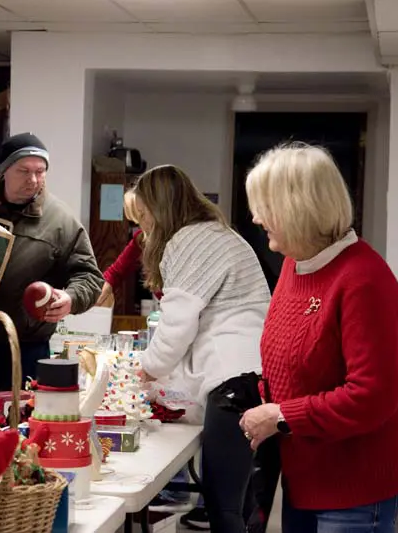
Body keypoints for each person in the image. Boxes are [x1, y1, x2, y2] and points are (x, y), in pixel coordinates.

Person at [240, 143, 398, 533]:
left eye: (264, 207)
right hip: (306, 476)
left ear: (297, 208)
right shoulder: (295, 265)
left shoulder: (363, 281)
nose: (255, 217)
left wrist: (282, 416)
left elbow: (372, 396)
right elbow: (293, 359)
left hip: (354, 486)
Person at [135, 165, 271, 533]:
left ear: (157, 209)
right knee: (243, 503)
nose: (142, 228)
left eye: (143, 216)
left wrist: (144, 368)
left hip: (234, 378)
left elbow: (178, 325)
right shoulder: (220, 235)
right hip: (256, 374)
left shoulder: (186, 241)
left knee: (222, 504)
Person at [0, 132, 102, 392]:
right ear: (4, 170)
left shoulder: (61, 221)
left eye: (40, 171)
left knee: (18, 425)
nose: (33, 180)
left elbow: (90, 276)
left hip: (25, 348)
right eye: (23, 170)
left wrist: (71, 298)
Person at [95, 190, 162, 307]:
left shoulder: (177, 240)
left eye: (142, 215)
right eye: (137, 219)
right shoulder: (141, 239)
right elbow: (115, 273)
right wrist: (99, 294)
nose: (141, 225)